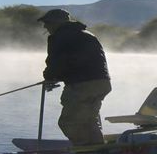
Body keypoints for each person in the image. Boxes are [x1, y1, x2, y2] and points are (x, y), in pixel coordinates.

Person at [38, 8, 112, 146]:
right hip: (103, 83)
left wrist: (49, 77)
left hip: (82, 85)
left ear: (57, 23)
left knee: (68, 122)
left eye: (47, 22)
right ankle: (99, 150)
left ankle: (85, 151)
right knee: (88, 120)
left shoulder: (61, 36)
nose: (45, 26)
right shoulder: (87, 34)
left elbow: (57, 62)